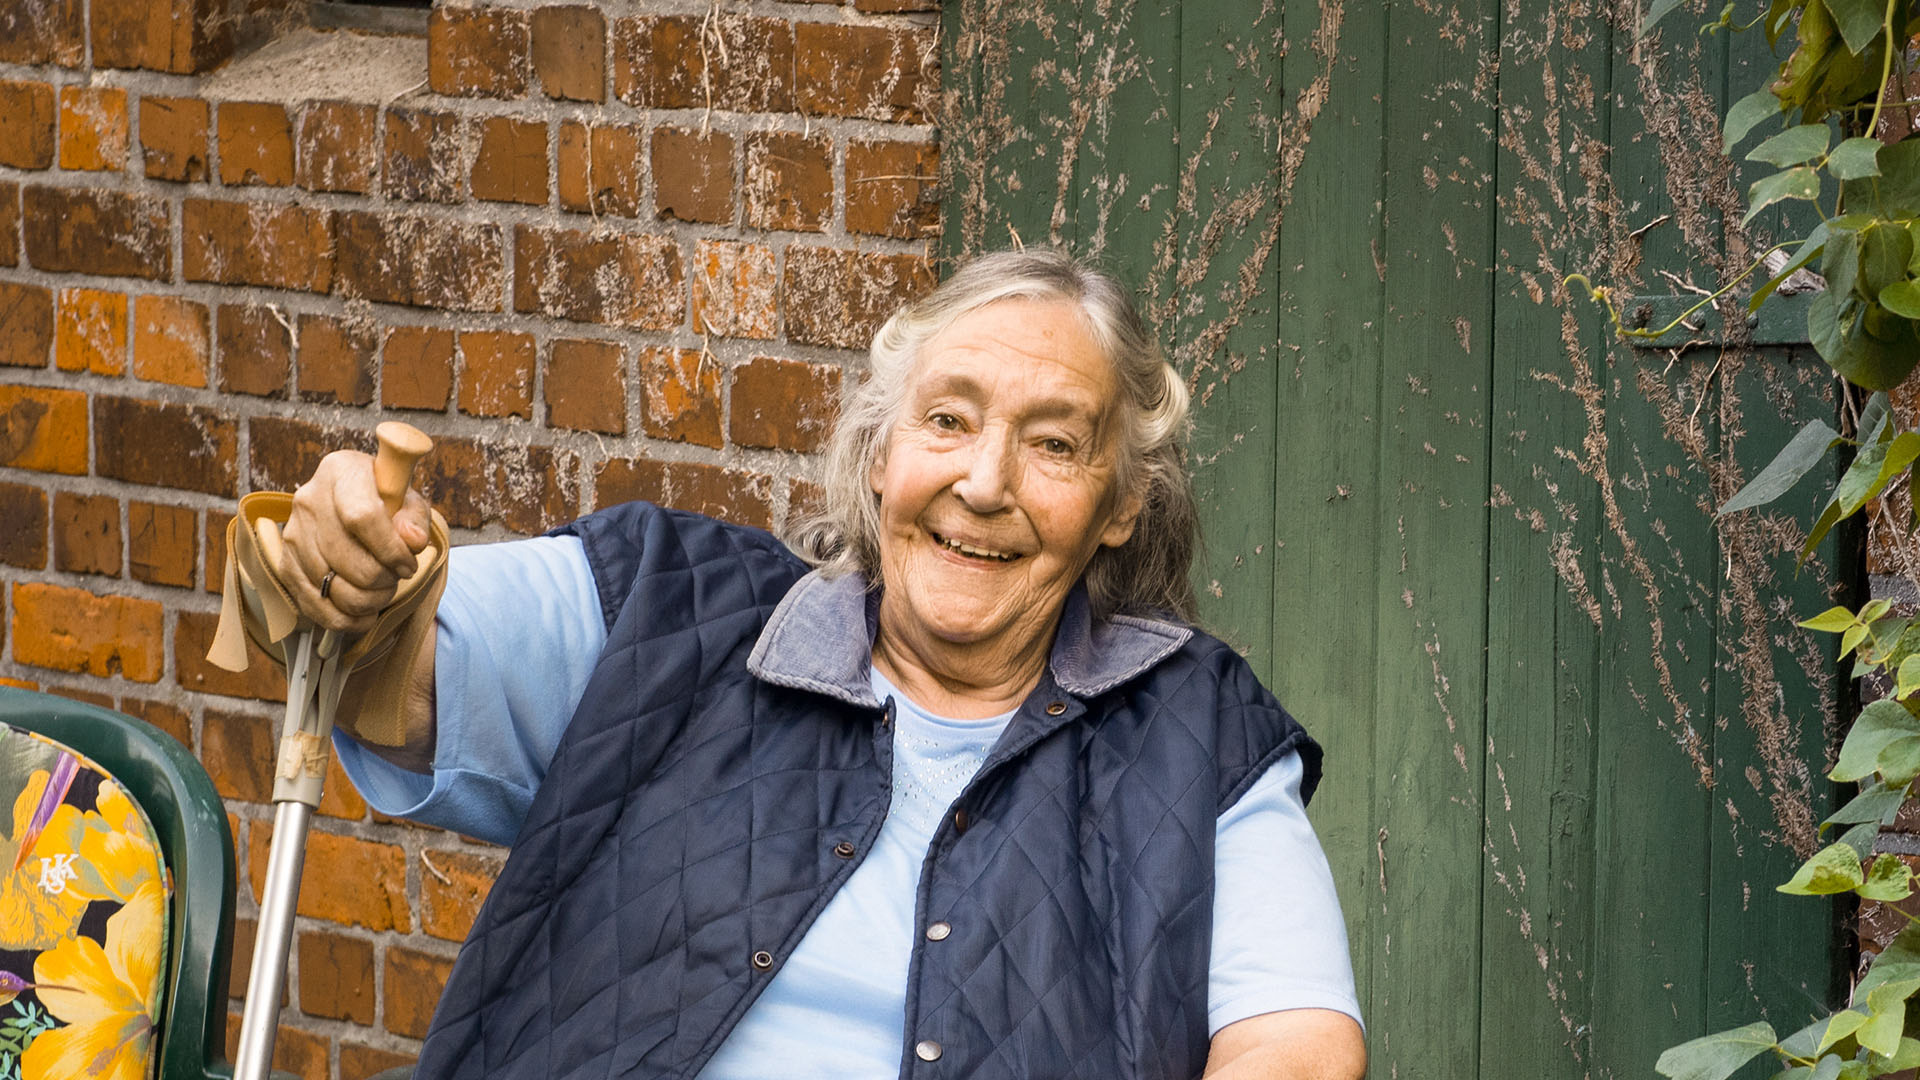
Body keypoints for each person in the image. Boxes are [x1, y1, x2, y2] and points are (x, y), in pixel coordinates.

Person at [275, 250, 1367, 1080]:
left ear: (1121, 505)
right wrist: (351, 563)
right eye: (948, 421)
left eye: (1052, 444)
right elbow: (386, 669)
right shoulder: (673, 608)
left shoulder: (1195, 734)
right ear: (884, 454)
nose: (984, 484)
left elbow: (1299, 1047)